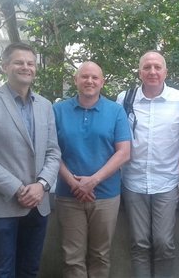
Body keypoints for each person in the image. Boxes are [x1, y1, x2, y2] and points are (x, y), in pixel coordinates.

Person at [0, 42, 61, 277]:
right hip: (3, 205)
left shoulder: (45, 106)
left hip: (39, 205)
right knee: (2, 272)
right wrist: (18, 189)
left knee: (30, 270)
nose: (26, 67)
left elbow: (53, 152)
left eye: (30, 63)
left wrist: (42, 185)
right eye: (19, 62)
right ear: (5, 66)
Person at [116, 51, 179, 278]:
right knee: (139, 244)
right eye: (147, 67)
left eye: (157, 67)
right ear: (139, 72)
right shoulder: (124, 99)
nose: (152, 72)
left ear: (165, 72)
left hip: (167, 182)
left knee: (163, 243)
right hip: (133, 181)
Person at [53, 61, 131, 277]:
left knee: (100, 255)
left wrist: (93, 181)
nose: (89, 81)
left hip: (105, 195)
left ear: (102, 82)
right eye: (84, 76)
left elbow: (124, 152)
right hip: (69, 195)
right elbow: (51, 151)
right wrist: (73, 182)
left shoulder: (115, 111)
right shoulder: (58, 110)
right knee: (71, 258)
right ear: (75, 80)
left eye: (95, 77)